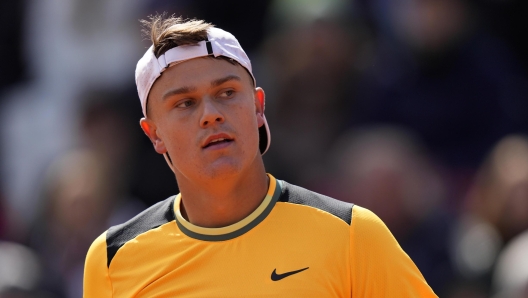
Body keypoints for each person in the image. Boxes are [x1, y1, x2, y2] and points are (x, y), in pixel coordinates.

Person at [83, 15, 437, 297]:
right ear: (154, 133)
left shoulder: (353, 234)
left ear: (257, 107)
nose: (210, 114)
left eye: (226, 92)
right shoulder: (113, 258)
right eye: (185, 103)